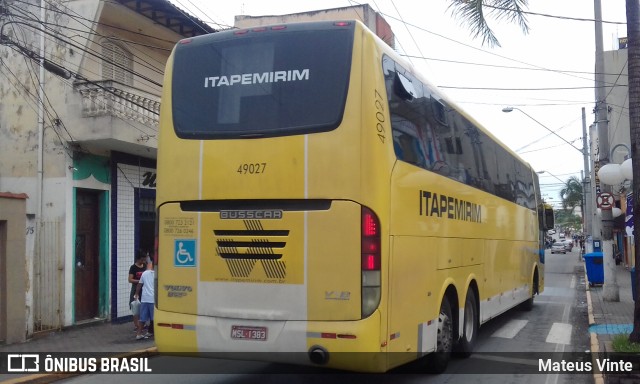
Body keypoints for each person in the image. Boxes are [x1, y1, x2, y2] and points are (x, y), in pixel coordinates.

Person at [134, 258, 154, 340]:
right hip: (153, 299)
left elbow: (139, 285)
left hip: (145, 299)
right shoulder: (158, 274)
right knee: (154, 319)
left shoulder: (144, 273)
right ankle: (153, 334)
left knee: (142, 318)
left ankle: (138, 334)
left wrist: (136, 294)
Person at [128, 251, 147, 332]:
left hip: (144, 289)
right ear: (138, 259)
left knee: (143, 307)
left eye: (144, 260)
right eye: (142, 260)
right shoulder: (133, 267)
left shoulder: (145, 266)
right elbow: (130, 279)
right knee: (135, 306)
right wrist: (140, 281)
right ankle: (136, 325)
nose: (143, 262)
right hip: (135, 289)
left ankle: (143, 324)